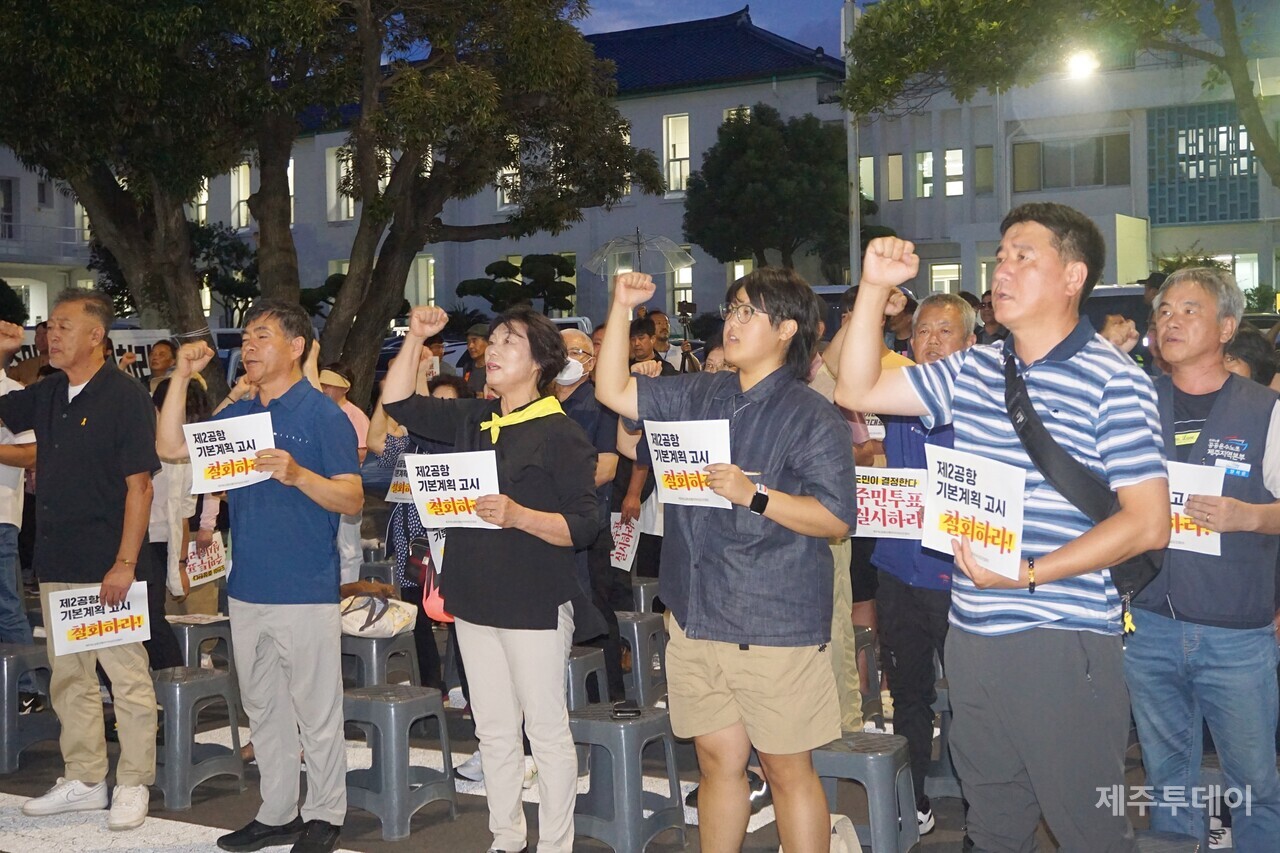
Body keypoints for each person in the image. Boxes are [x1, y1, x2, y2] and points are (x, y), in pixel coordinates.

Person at [836, 205, 1170, 852]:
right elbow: (860, 385)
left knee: (1088, 829)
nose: (1002, 268)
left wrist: (1031, 572)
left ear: (1073, 276)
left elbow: (1149, 522)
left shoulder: (1114, 380)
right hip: (975, 634)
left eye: (1024, 255)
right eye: (1002, 254)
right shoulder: (977, 367)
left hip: (1061, 637)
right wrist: (875, 290)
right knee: (993, 824)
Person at [596, 268, 858, 853]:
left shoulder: (810, 413)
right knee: (717, 763)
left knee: (788, 771)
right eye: (732, 309)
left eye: (749, 313)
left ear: (787, 330)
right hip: (695, 610)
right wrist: (619, 307)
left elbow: (838, 518)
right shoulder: (702, 391)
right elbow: (613, 392)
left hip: (773, 619)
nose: (733, 323)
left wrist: (755, 495)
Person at [383, 305, 598, 853]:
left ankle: (555, 844)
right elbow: (398, 403)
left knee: (545, 731)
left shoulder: (561, 432)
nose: (494, 351)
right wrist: (418, 338)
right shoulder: (474, 419)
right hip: (473, 595)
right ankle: (505, 837)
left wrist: (519, 515)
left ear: (540, 365)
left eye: (510, 343)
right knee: (494, 730)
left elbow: (585, 524)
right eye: (494, 340)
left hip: (534, 601)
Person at [158, 300, 362, 853]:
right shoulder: (241, 416)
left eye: (262, 336)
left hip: (304, 589)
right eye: (245, 338)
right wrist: (181, 374)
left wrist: (299, 475)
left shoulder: (323, 415)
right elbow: (171, 447)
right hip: (246, 588)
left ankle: (324, 813)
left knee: (317, 711)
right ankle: (277, 812)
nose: (248, 346)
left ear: (296, 347)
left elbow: (352, 495)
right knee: (264, 709)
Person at [1125, 267, 1280, 845]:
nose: (1171, 320)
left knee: (1255, 783)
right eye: (1164, 311)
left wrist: (1251, 516)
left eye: (1189, 310)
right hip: (1149, 625)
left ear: (1227, 327)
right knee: (1166, 782)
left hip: (1235, 634)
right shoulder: (1136, 400)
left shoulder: (1266, 410)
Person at [0, 289, 159, 832]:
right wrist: (4, 351)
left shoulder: (125, 396)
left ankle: (135, 781)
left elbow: (141, 487)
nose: (52, 335)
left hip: (106, 561)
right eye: (49, 326)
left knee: (126, 676)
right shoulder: (46, 393)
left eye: (64, 326)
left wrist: (124, 562)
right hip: (56, 558)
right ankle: (86, 778)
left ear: (97, 336)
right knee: (71, 678)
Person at [870, 293, 976, 834]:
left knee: (975, 697)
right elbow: (848, 368)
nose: (931, 341)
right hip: (897, 568)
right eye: (923, 332)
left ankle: (987, 815)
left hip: (962, 574)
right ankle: (913, 802)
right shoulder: (899, 394)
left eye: (945, 332)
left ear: (970, 343)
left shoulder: (982, 402)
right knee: (908, 693)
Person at [556, 328, 624, 699]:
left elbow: (607, 468)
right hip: (548, 527)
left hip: (588, 528)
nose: (567, 358)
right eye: (560, 351)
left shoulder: (600, 404)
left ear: (591, 361)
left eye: (576, 352)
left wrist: (552, 487)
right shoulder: (540, 403)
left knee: (595, 612)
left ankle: (607, 697)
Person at [0, 355, 38, 710]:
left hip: (0, 516)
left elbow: (31, 454)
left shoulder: (14, 393)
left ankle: (27, 688)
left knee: (7, 605)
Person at [319, 362, 369, 585]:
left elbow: (360, 452)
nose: (325, 390)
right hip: (321, 488)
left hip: (347, 487)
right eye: (322, 385)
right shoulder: (319, 413)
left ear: (345, 388)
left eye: (331, 385)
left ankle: (349, 593)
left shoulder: (354, 415)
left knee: (348, 547)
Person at [8, 320, 49, 386]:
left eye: (45, 334)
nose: (40, 339)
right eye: (37, 334)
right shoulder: (25, 366)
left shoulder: (63, 366)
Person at [462, 322, 490, 393]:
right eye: (468, 342)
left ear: (488, 342)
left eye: (474, 341)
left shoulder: (495, 368)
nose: (470, 346)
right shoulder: (468, 367)